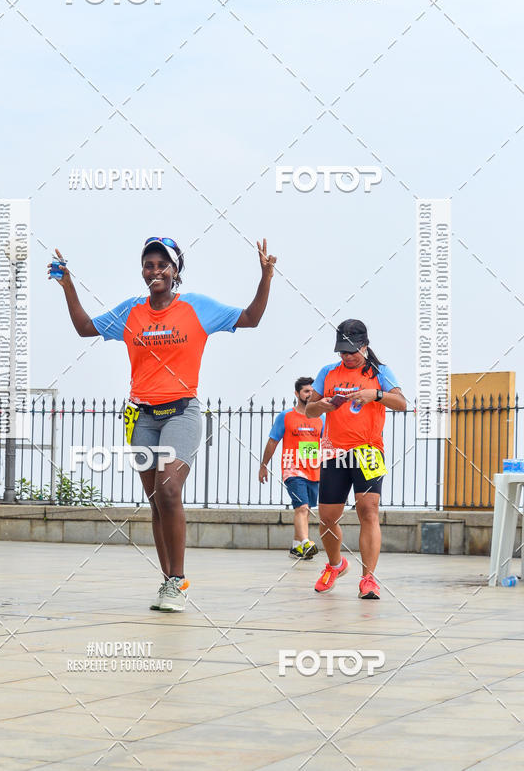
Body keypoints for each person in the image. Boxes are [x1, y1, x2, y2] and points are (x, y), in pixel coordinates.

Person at [49, 237, 276, 612]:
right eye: (148, 264)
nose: (155, 270)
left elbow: (250, 318)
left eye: (162, 264)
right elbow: (85, 327)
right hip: (142, 417)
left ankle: (177, 579)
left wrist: (265, 276)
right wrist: (68, 285)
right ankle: (167, 579)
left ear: (175, 271)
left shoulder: (196, 307)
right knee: (156, 500)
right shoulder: (131, 312)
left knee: (170, 489)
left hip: (182, 412)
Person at [306, 319, 406, 599]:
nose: (347, 357)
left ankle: (368, 579)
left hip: (368, 451)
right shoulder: (328, 372)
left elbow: (402, 404)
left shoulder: (380, 372)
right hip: (334, 452)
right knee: (327, 517)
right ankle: (336, 565)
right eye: (342, 352)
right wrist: (321, 404)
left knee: (369, 512)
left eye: (352, 351)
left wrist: (374, 394)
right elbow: (309, 412)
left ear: (364, 346)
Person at [258, 377, 322, 559]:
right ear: (297, 393)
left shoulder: (321, 418)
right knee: (301, 507)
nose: (310, 394)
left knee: (306, 508)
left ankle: (296, 546)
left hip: (314, 470)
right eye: (306, 391)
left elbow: (326, 444)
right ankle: (305, 543)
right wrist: (263, 466)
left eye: (312, 391)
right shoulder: (286, 417)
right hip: (293, 470)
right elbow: (272, 441)